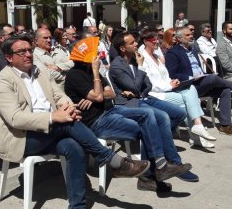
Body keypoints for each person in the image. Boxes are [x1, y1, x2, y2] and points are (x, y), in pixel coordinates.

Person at [0, 34, 150, 208]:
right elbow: (15, 118)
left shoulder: (39, 70)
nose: (28, 54)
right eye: (22, 52)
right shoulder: (2, 82)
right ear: (9, 57)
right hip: (22, 138)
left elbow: (58, 94)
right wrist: (54, 117)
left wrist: (69, 107)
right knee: (66, 123)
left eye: (29, 50)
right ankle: (111, 160)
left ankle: (77, 206)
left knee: (75, 148)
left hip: (50, 133)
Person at [65, 40, 193, 191]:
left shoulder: (95, 72)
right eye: (93, 54)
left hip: (110, 111)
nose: (97, 56)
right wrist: (95, 76)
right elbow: (99, 97)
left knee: (149, 115)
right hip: (97, 122)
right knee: (147, 128)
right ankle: (154, 172)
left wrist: (93, 95)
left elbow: (110, 93)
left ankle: (157, 168)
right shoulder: (75, 75)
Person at [109, 32, 198, 182]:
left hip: (142, 98)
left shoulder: (135, 60)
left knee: (179, 113)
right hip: (129, 104)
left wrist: (137, 91)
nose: (136, 44)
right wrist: (140, 75)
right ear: (123, 48)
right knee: (161, 118)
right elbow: (136, 85)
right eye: (132, 43)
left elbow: (147, 84)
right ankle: (173, 162)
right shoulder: (117, 66)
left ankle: (155, 155)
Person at [165, 27, 232, 138]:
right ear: (179, 39)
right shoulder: (173, 53)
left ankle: (226, 126)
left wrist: (203, 74)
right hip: (188, 86)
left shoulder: (193, 50)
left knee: (225, 90)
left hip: (201, 84)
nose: (191, 36)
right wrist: (192, 77)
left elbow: (198, 69)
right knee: (212, 79)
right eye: (187, 35)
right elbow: (172, 74)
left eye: (191, 34)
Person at [138, 30, 217, 148]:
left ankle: (198, 126)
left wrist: (171, 81)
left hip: (167, 88)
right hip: (155, 94)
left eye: (157, 39)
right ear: (145, 41)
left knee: (191, 89)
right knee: (189, 102)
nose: (156, 41)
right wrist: (169, 85)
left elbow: (165, 75)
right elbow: (148, 83)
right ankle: (197, 136)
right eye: (153, 40)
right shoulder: (143, 58)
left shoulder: (156, 56)